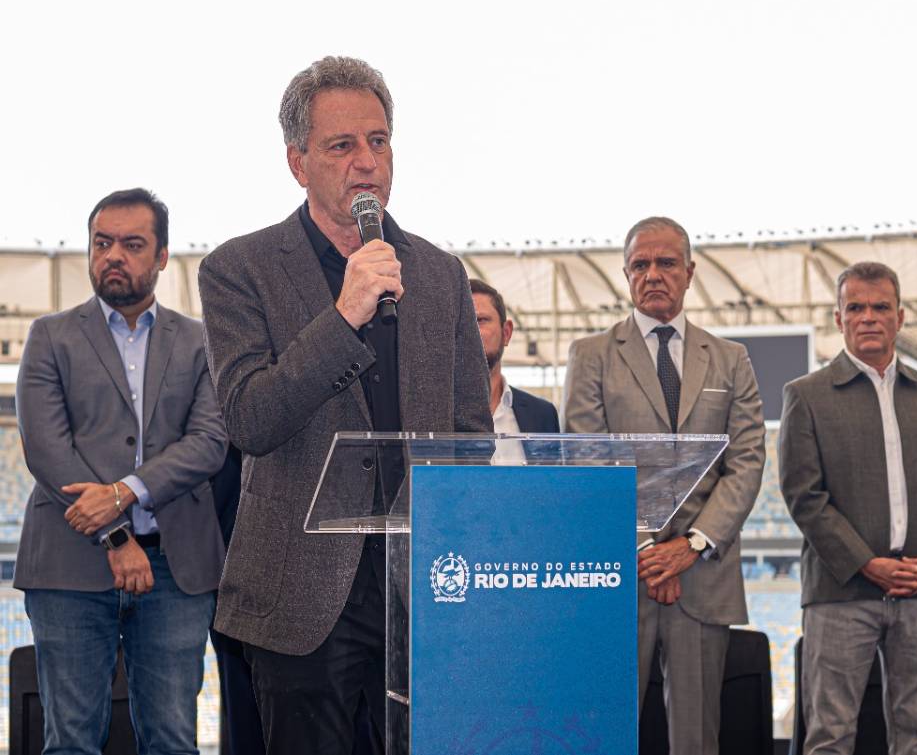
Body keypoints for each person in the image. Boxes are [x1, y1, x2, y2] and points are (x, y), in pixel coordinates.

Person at [198, 56, 491, 755]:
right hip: (300, 595)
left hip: (423, 591)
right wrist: (344, 314)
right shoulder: (239, 270)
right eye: (342, 145)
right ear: (298, 163)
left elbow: (471, 435)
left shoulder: (440, 273)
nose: (367, 162)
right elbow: (249, 418)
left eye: (379, 141)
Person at [14, 187, 227, 755]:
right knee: (71, 742)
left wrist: (123, 493)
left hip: (175, 572)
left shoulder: (200, 342)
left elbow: (209, 443)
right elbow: (46, 450)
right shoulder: (49, 336)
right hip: (70, 565)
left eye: (132, 245)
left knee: (174, 740)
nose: (113, 256)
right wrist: (116, 534)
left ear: (161, 257)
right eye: (102, 243)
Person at [563, 216, 765, 755]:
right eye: (640, 265)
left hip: (703, 576)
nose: (653, 274)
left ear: (690, 272)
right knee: (605, 735)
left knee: (697, 741)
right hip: (619, 574)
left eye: (666, 263)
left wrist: (691, 546)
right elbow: (586, 461)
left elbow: (746, 461)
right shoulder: (591, 356)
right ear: (626, 275)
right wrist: (649, 551)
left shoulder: (731, 359)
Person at [778, 261, 917, 755]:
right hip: (840, 594)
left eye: (880, 307)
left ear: (900, 317)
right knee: (830, 738)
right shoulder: (806, 396)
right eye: (856, 307)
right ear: (838, 318)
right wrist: (867, 563)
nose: (869, 317)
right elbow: (805, 496)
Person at [470, 278, 559, 433]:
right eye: (458, 322)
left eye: (481, 320)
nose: (469, 330)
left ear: (506, 333)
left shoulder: (542, 415)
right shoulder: (432, 414)